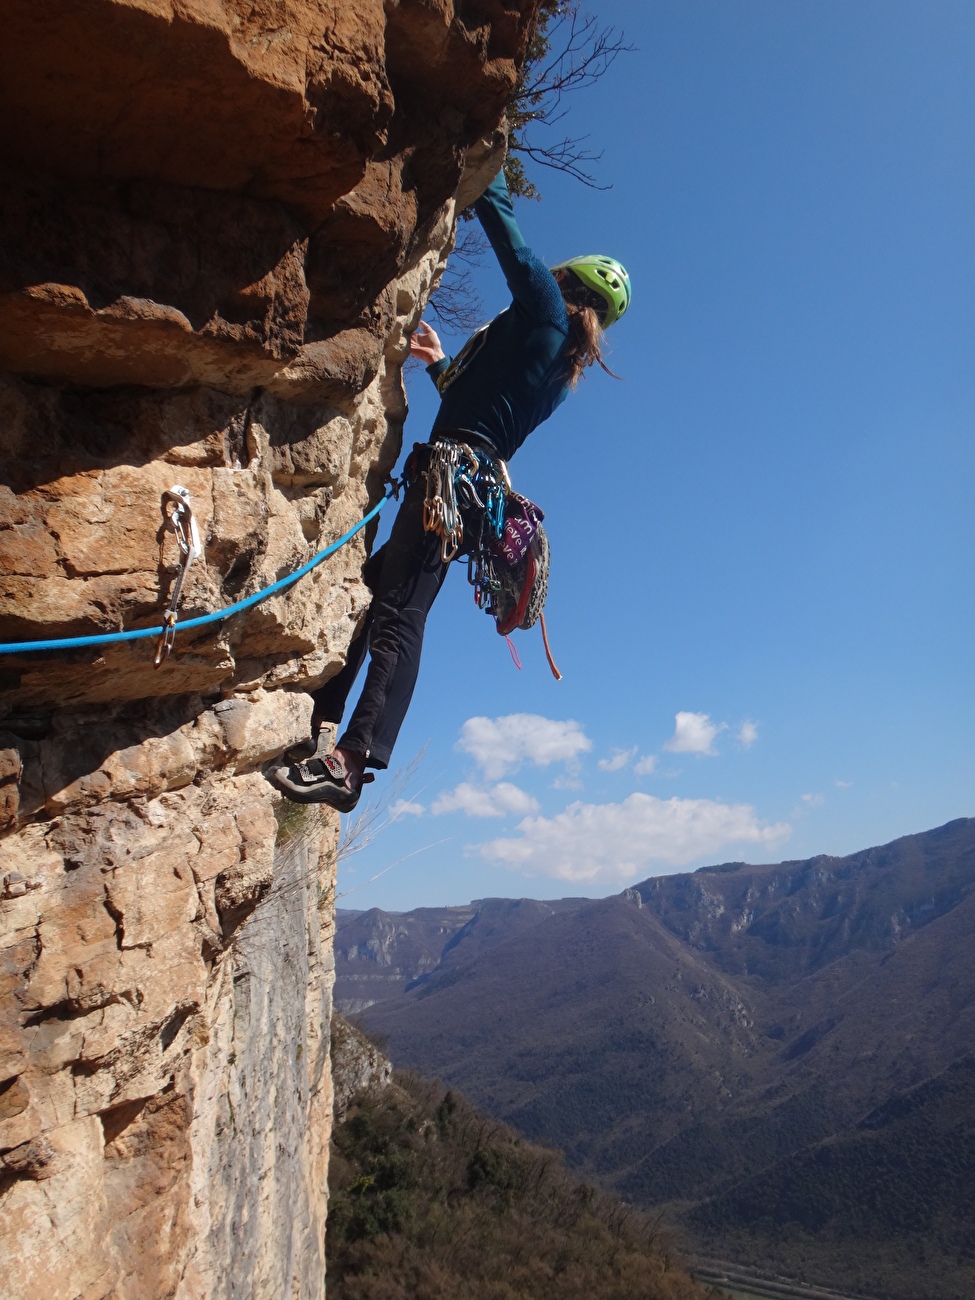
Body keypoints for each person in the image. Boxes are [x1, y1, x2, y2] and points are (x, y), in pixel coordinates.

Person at [269, 166, 630, 810]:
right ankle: (325, 716)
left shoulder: (546, 310)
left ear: (569, 282)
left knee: (399, 615)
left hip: (450, 483)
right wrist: (439, 367)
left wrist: (482, 165)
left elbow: (514, 248)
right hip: (464, 483)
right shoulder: (555, 368)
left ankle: (348, 761)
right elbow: (479, 414)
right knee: (382, 594)